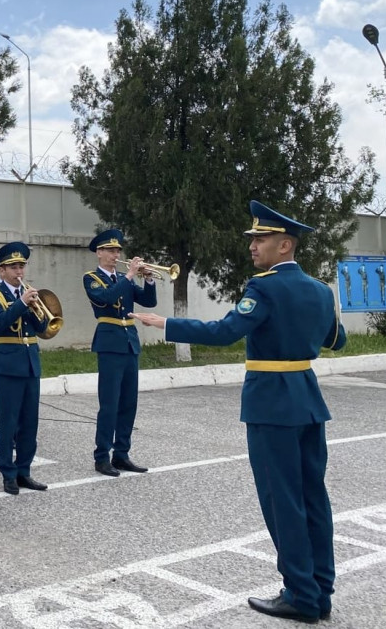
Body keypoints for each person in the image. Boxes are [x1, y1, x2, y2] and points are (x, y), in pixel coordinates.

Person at [132, 200, 346, 624]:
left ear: (284, 245)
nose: (253, 245)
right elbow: (335, 341)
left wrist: (165, 324)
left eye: (261, 239)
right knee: (313, 498)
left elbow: (226, 331)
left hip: (271, 403)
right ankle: (320, 591)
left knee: (282, 500)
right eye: (252, 239)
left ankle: (301, 595)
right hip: (307, 398)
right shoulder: (321, 290)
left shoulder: (264, 287)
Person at [82, 229, 156, 477]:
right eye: (111, 251)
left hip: (129, 341)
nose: (116, 255)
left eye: (117, 251)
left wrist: (148, 279)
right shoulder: (91, 278)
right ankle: (102, 456)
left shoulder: (124, 277)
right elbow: (104, 298)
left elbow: (148, 301)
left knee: (128, 403)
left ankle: (122, 454)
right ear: (99, 253)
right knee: (109, 403)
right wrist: (131, 275)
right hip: (109, 342)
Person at [0, 242, 49, 495]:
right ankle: (8, 473)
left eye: (21, 266)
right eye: (13, 267)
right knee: (8, 421)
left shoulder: (28, 292)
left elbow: (42, 326)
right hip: (8, 363)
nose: (19, 271)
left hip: (31, 361)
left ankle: (24, 471)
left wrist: (34, 306)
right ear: (2, 270)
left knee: (30, 421)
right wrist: (21, 302)